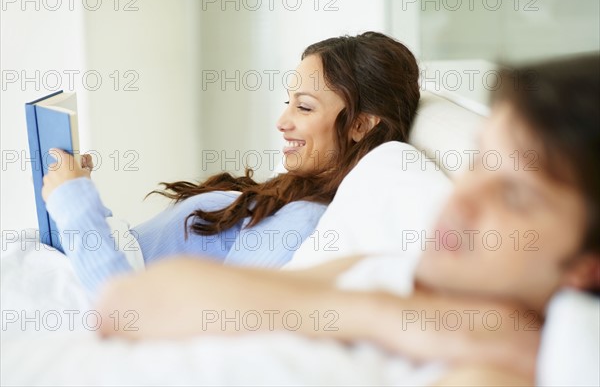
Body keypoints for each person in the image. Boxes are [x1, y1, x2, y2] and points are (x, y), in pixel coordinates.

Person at [96, 53, 600, 385]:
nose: (462, 199)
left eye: (514, 194)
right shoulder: (395, 279)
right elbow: (124, 304)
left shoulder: (496, 367)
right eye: (478, 161)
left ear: (586, 265)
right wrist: (388, 317)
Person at [40, 32, 421, 295]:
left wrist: (75, 205)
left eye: (304, 107)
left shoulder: (303, 224)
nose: (282, 121)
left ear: (359, 125)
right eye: (287, 102)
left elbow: (132, 315)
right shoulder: (291, 197)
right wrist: (79, 195)